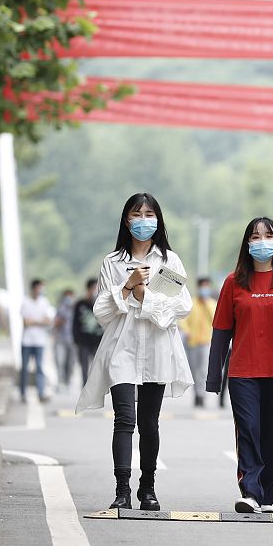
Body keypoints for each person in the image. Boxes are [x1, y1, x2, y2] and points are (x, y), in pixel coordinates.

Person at [77, 193, 193, 511]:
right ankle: (122, 490)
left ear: (159, 220)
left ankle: (148, 488)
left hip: (157, 350)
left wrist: (144, 297)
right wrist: (126, 286)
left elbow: (181, 306)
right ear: (126, 220)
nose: (143, 221)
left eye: (149, 214)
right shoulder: (112, 262)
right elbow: (102, 310)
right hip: (122, 349)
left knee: (149, 423)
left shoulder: (168, 261)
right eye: (137, 214)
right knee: (124, 419)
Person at [207, 217, 273, 514]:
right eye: (256, 236)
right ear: (247, 243)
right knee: (248, 431)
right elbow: (221, 330)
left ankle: (268, 492)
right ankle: (250, 491)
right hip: (243, 372)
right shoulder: (234, 282)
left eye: (268, 235)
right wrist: (214, 377)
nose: (262, 240)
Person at [180, 276, 217, 408]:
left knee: (203, 370)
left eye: (207, 286)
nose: (204, 289)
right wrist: (187, 330)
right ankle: (196, 394)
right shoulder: (191, 303)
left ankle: (201, 395)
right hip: (192, 342)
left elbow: (215, 319)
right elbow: (183, 320)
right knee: (194, 370)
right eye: (203, 286)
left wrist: (207, 303)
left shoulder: (212, 304)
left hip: (206, 342)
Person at [19, 279, 56, 403]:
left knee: (40, 368)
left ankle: (41, 393)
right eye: (39, 288)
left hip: (40, 341)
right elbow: (26, 323)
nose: (40, 291)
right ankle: (23, 393)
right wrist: (40, 321)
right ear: (34, 288)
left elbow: (48, 321)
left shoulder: (44, 302)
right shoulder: (25, 302)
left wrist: (34, 321)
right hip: (27, 341)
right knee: (24, 368)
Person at [73, 278, 103, 381]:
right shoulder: (80, 304)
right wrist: (76, 339)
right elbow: (75, 323)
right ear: (89, 289)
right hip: (84, 341)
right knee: (84, 366)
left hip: (98, 340)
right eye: (94, 288)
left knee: (98, 367)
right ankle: (85, 387)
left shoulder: (101, 304)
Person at [53, 288, 76, 390]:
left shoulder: (75, 309)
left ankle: (67, 382)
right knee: (60, 361)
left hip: (72, 340)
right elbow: (56, 323)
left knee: (70, 362)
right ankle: (60, 382)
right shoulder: (60, 308)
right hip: (61, 339)